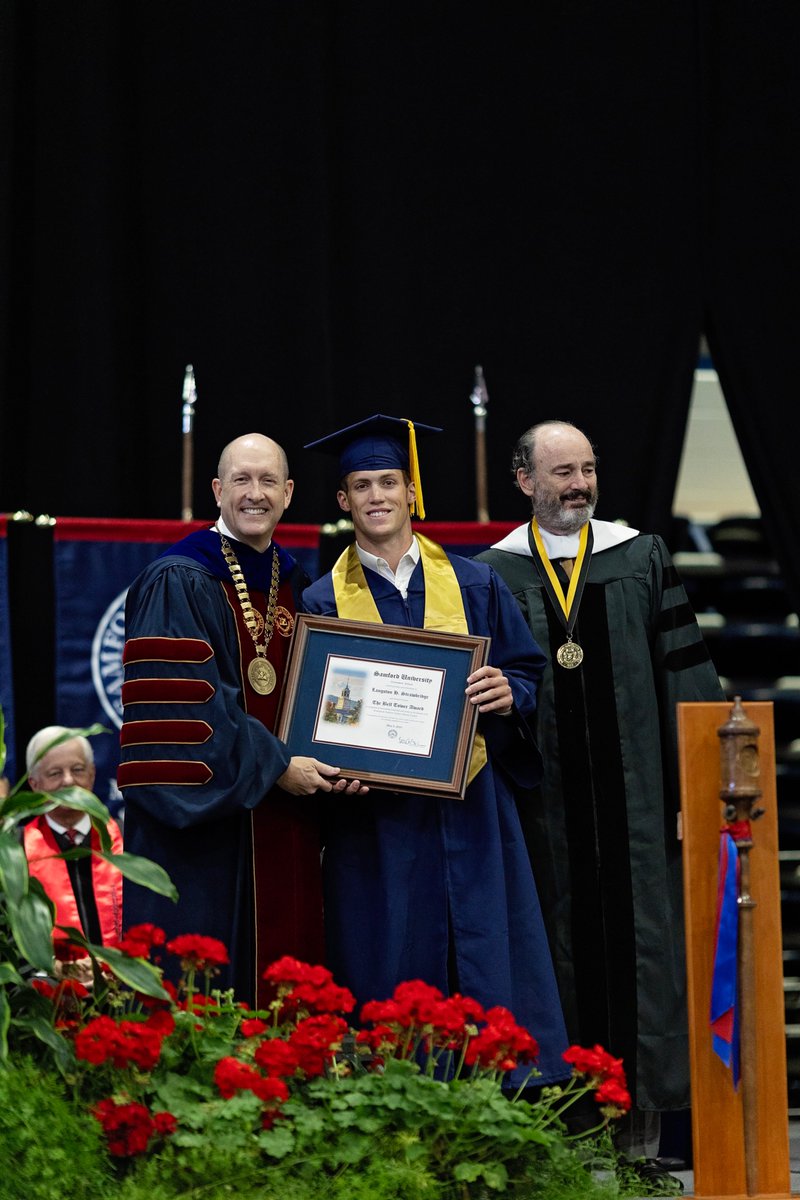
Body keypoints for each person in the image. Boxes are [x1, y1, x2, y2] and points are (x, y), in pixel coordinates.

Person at [476, 419, 725, 1171]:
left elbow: (687, 682)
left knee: (643, 966)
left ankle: (641, 1149)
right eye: (562, 473)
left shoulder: (639, 556)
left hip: (638, 814)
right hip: (542, 819)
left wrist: (696, 790)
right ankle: (565, 1151)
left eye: (587, 469)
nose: (580, 484)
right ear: (525, 481)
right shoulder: (491, 574)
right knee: (554, 965)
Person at [301, 414, 569, 1086]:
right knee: (389, 959)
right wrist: (340, 769)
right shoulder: (321, 599)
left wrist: (509, 690)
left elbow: (527, 672)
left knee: (483, 956)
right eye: (361, 485)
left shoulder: (473, 584)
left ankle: (495, 1112)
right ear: (343, 501)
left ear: (411, 492)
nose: (377, 496)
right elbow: (315, 714)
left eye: (389, 481)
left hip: (472, 808)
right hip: (378, 821)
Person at [118, 433, 366, 1006]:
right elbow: (184, 710)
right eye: (241, 480)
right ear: (217, 490)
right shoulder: (177, 578)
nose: (255, 495)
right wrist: (279, 766)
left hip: (288, 821)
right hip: (207, 834)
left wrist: (345, 760)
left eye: (268, 482)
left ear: (288, 493)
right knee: (202, 997)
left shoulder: (299, 584)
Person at [24, 726, 123, 982]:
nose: (68, 781)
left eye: (78, 770)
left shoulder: (125, 839)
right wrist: (52, 967)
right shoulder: (15, 852)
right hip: (50, 996)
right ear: (35, 785)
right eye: (55, 773)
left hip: (124, 987)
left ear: (91, 775)